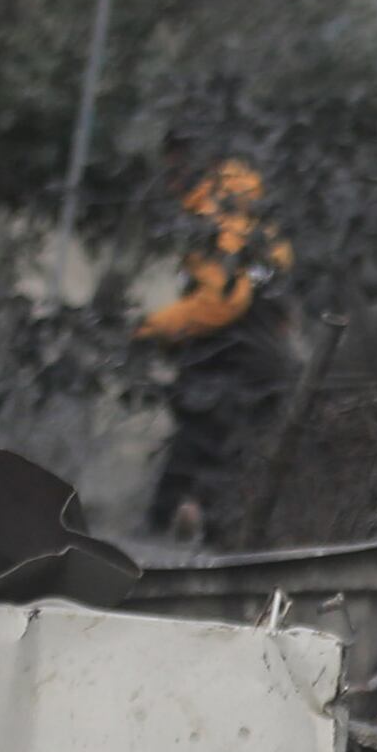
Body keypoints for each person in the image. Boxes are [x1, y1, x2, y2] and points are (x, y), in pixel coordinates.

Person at [138, 157, 297, 540]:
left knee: (195, 449)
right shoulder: (270, 239)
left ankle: (161, 538)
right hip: (268, 363)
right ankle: (220, 533)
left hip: (222, 362)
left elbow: (219, 304)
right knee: (240, 455)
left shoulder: (219, 233)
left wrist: (153, 328)